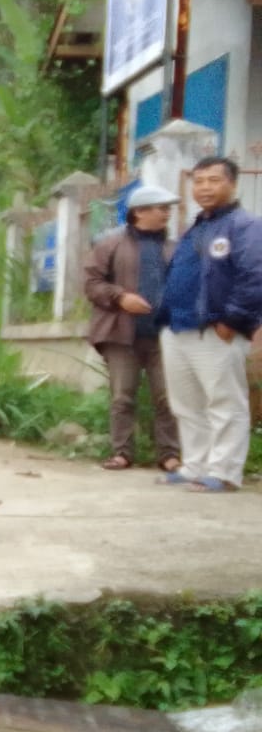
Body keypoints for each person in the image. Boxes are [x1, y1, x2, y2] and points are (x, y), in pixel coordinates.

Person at [155, 155, 262, 493]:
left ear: (232, 183)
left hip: (216, 329)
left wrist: (232, 319)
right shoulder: (196, 227)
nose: (204, 188)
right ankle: (195, 466)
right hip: (178, 327)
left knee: (224, 401)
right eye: (198, 181)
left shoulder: (245, 226)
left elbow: (255, 276)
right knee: (186, 404)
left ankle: (225, 472)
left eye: (213, 180)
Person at [83, 184, 182, 473]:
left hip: (164, 334)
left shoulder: (174, 247)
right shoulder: (110, 244)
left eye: (168, 209)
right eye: (161, 208)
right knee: (122, 395)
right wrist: (121, 297)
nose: (166, 213)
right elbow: (91, 284)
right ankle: (122, 452)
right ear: (139, 212)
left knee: (167, 396)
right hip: (121, 333)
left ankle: (169, 454)